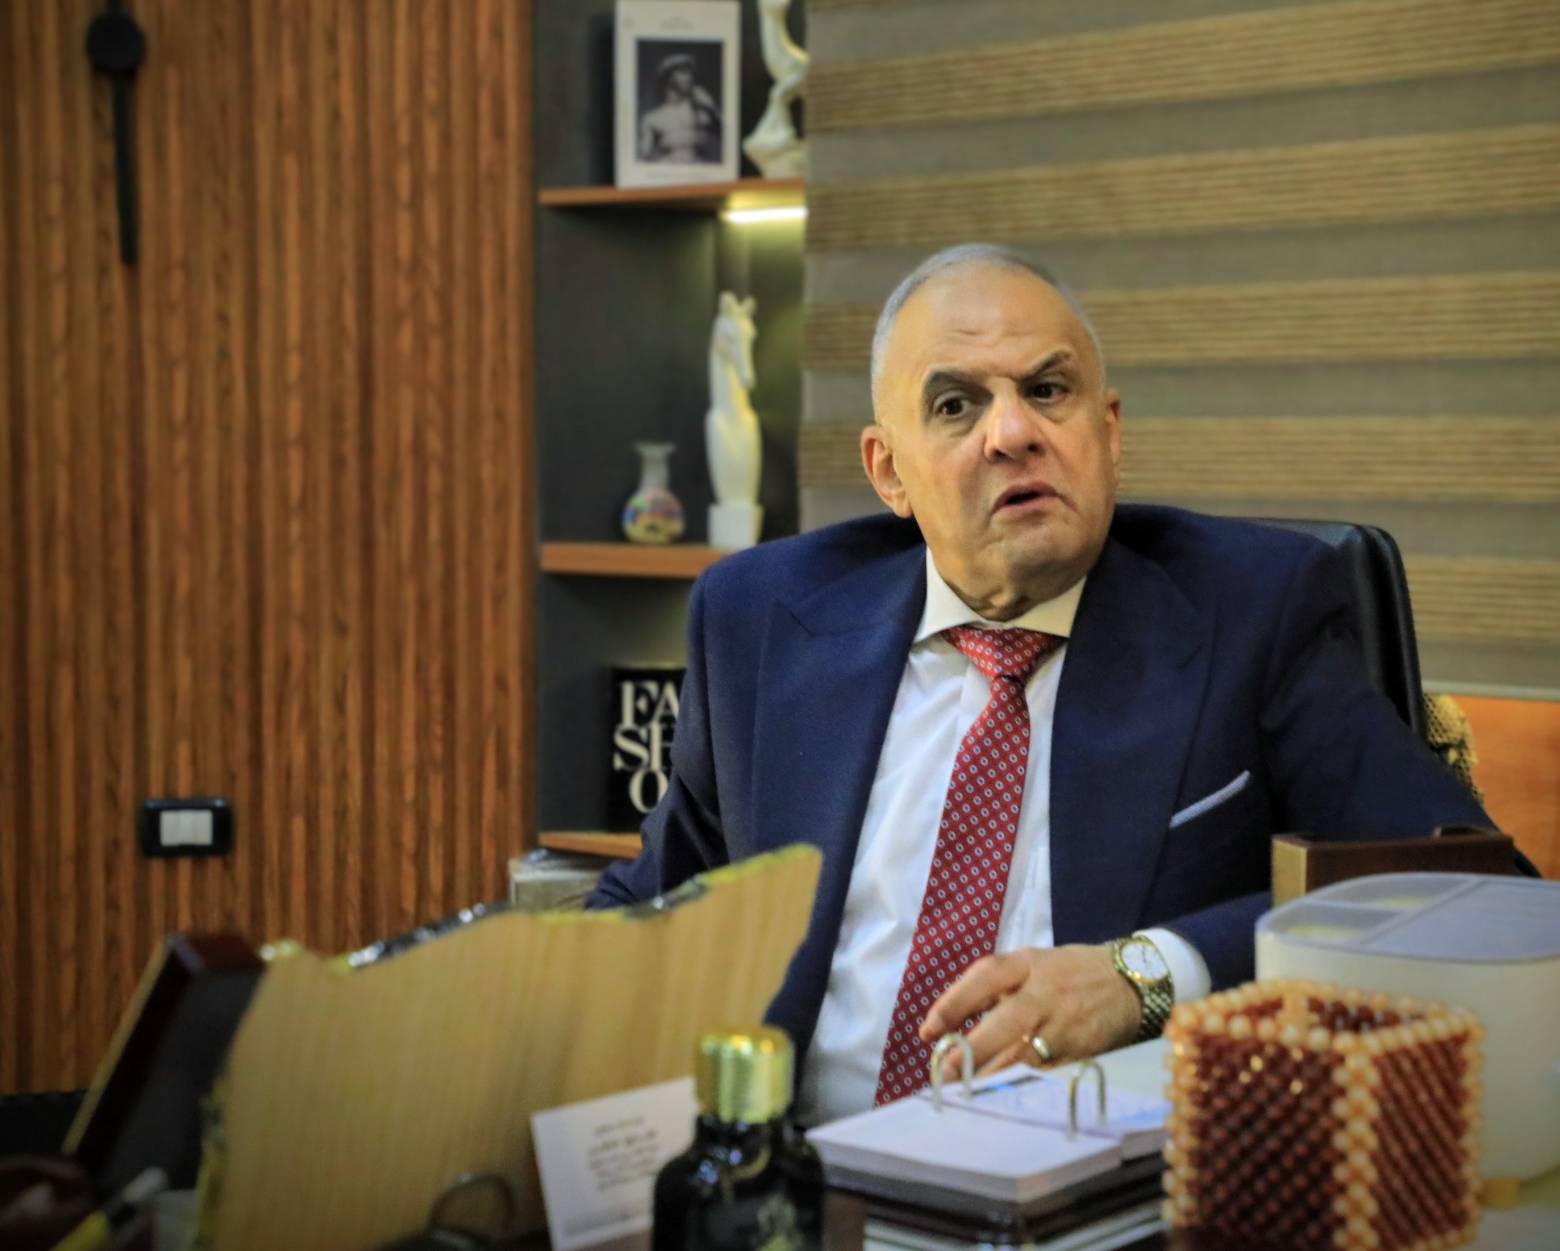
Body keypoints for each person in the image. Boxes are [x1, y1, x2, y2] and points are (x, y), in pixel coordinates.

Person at [587, 244, 1500, 1124]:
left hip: (1102, 1182)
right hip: (792, 1176)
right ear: (888, 471)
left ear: (1109, 431)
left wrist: (1145, 975)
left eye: (1047, 391)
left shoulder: (1254, 611)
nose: (1013, 432)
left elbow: (1460, 890)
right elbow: (662, 907)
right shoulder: (763, 621)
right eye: (955, 404)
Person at [638, 52, 721, 164]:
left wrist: (711, 107)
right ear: (668, 76)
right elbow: (643, 157)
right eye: (682, 72)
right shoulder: (653, 118)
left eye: (690, 72)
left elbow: (729, 139)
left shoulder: (703, 112)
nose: (689, 77)